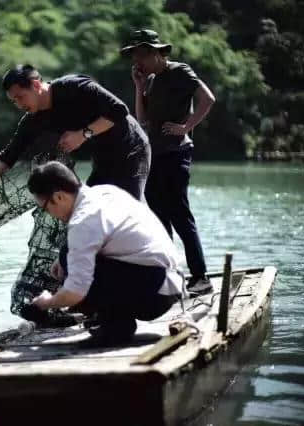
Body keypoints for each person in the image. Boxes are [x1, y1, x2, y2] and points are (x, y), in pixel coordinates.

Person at [29, 161, 183, 347]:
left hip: (153, 293)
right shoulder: (105, 192)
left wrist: (45, 303)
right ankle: (114, 321)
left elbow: (76, 292)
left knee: (71, 263)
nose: (49, 214)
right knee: (67, 255)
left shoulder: (82, 221)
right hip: (170, 283)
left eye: (45, 208)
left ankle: (116, 329)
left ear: (59, 197)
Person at [121, 29, 216, 294]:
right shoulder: (150, 80)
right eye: (134, 57)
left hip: (176, 153)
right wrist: (139, 88)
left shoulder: (180, 71)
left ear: (156, 53)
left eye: (140, 56)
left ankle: (201, 277)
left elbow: (207, 99)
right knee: (159, 218)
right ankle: (171, 276)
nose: (136, 63)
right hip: (154, 156)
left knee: (179, 214)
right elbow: (142, 120)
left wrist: (186, 126)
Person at [0, 64, 150, 201]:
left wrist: (82, 134)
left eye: (20, 97)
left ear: (35, 85)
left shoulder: (73, 86)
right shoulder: (33, 119)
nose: (18, 104)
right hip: (103, 158)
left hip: (131, 149)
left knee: (128, 209)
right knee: (93, 212)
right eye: (13, 101)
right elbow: (8, 156)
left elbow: (119, 110)